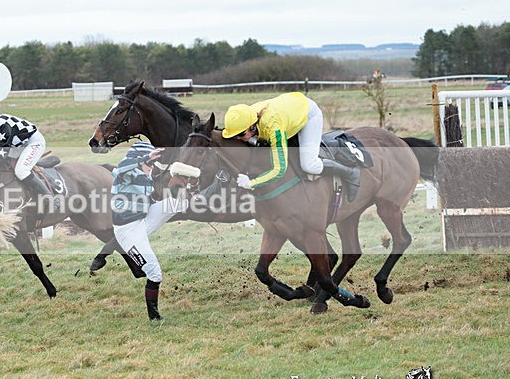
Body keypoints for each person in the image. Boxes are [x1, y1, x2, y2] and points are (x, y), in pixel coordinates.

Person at [221, 92, 359, 201]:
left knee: (309, 165)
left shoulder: (272, 128)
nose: (238, 139)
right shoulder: (245, 116)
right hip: (289, 108)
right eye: (234, 136)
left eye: (240, 134)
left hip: (308, 114)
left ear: (251, 126)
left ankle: (350, 173)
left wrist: (252, 183)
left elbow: (279, 169)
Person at [111, 141, 188, 321]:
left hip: (143, 219)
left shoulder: (146, 176)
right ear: (139, 159)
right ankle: (154, 317)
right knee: (155, 273)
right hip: (128, 230)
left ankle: (214, 186)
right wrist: (145, 158)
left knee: (181, 203)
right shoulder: (125, 171)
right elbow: (120, 169)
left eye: (153, 163)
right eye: (150, 163)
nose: (152, 167)